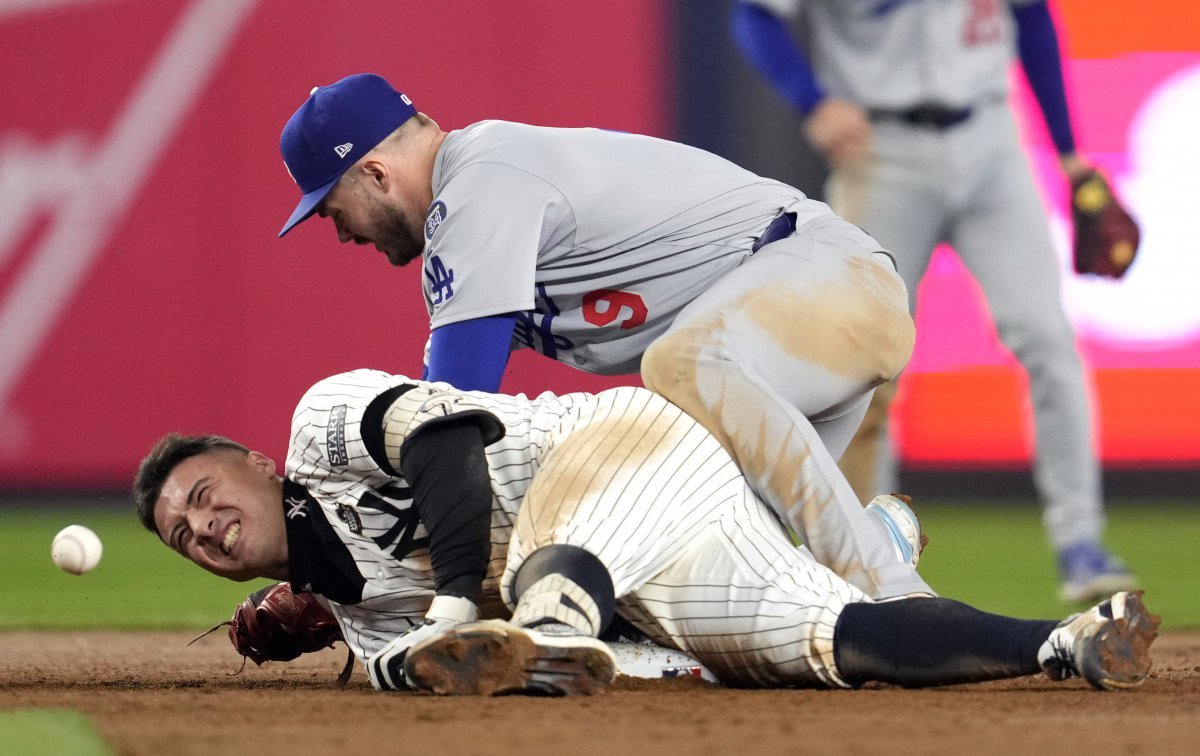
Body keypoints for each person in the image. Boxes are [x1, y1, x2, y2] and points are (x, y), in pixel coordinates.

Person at [274, 72, 928, 604]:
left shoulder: (478, 188)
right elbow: (444, 424)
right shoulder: (475, 204)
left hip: (829, 279)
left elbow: (449, 419)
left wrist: (335, 548)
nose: (340, 232)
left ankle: (890, 586)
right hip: (777, 347)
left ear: (378, 176)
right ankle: (868, 550)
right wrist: (336, 586)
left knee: (684, 362)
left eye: (333, 208)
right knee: (690, 563)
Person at [133, 369, 1158, 696]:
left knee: (544, 563)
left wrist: (452, 605)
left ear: (256, 464)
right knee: (821, 644)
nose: (203, 521)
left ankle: (570, 619)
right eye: (184, 532)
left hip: (617, 446)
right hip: (638, 565)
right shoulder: (366, 631)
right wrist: (660, 664)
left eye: (204, 489)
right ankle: (1065, 640)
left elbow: (445, 442)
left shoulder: (320, 425)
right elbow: (464, 660)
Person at [729, 0, 1137, 603]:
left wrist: (1070, 152)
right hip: (879, 148)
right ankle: (869, 565)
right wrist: (811, 100)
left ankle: (1081, 544)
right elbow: (755, 15)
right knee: (863, 370)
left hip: (991, 138)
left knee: (1049, 339)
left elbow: (1032, 15)